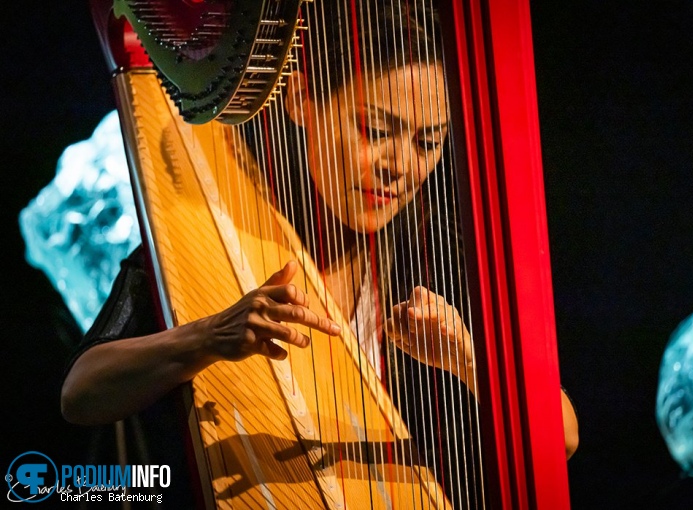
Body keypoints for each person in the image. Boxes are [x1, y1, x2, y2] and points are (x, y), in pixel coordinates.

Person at [62, 1, 577, 507]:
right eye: (376, 131)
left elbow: (564, 437)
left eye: (428, 143)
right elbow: (81, 393)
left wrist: (467, 362)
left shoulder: (434, 258)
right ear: (302, 98)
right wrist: (208, 336)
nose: (400, 166)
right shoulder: (212, 225)